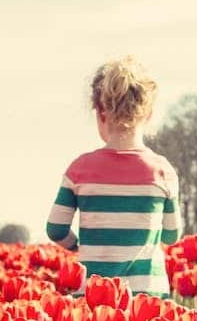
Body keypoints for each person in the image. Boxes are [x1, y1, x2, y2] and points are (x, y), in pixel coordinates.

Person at [46, 56, 181, 296]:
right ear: (148, 114)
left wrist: (79, 246)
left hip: (93, 294)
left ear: (100, 113)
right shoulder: (162, 171)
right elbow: (172, 235)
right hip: (147, 293)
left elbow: (55, 228)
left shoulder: (80, 170)